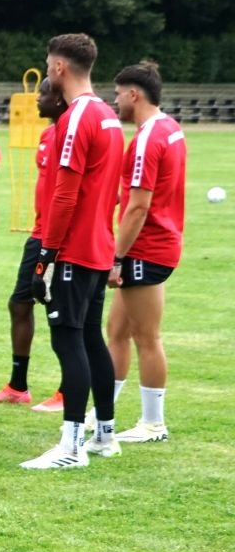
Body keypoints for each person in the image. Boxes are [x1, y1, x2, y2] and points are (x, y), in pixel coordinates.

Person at [20, 34, 126, 469]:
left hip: (75, 250)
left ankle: (71, 447)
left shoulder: (77, 117)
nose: (47, 71)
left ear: (60, 67)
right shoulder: (108, 115)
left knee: (69, 341)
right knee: (90, 338)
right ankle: (105, 435)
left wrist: (47, 255)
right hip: (98, 246)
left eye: (48, 64)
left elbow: (66, 195)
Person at [107, 60, 185, 443]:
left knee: (146, 336)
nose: (115, 101)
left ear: (134, 94)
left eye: (118, 94)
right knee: (117, 331)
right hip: (156, 243)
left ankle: (153, 423)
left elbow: (138, 206)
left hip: (147, 248)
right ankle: (103, 412)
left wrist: (116, 257)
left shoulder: (147, 139)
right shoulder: (170, 128)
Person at [0, 80, 70, 410]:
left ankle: (68, 390)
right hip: (38, 235)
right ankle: (18, 386)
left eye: (44, 94)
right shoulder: (47, 135)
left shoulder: (73, 135)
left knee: (61, 314)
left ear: (59, 99)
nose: (36, 99)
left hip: (61, 239)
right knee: (19, 304)